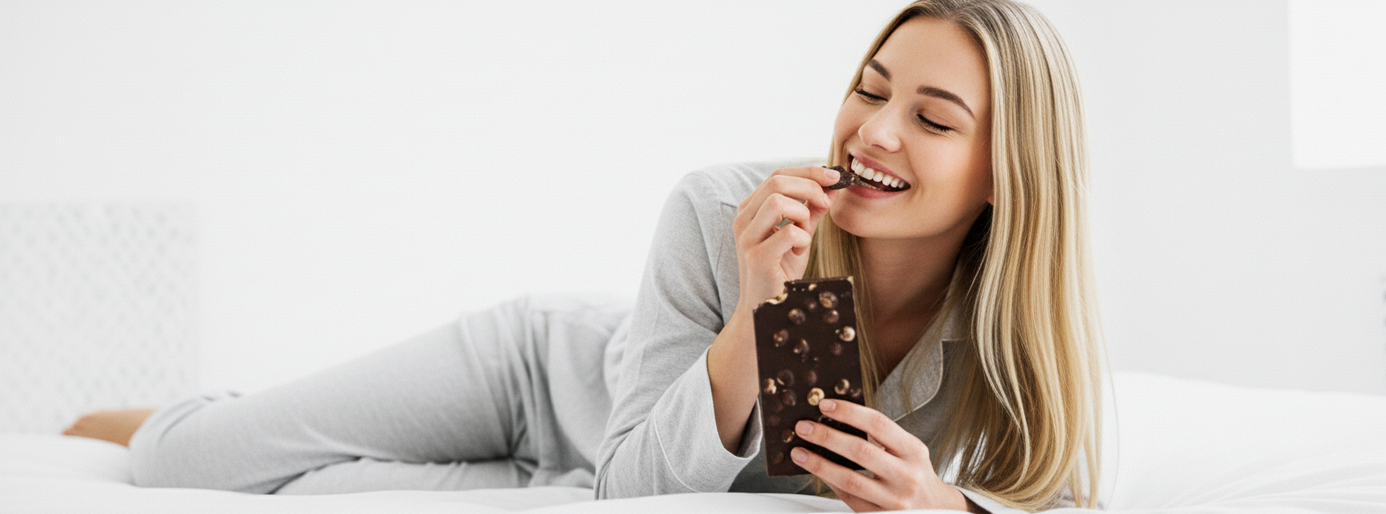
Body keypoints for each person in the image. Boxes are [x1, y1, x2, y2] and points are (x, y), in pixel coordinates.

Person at [62, 0, 1112, 511]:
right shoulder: (721, 208)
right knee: (181, 466)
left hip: (585, 456)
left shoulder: (1010, 321)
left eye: (931, 119)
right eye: (870, 88)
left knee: (388, 491)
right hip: (539, 379)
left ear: (1005, 174)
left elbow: (1061, 498)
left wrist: (946, 505)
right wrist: (759, 310)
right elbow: (642, 491)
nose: (872, 132)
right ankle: (177, 412)